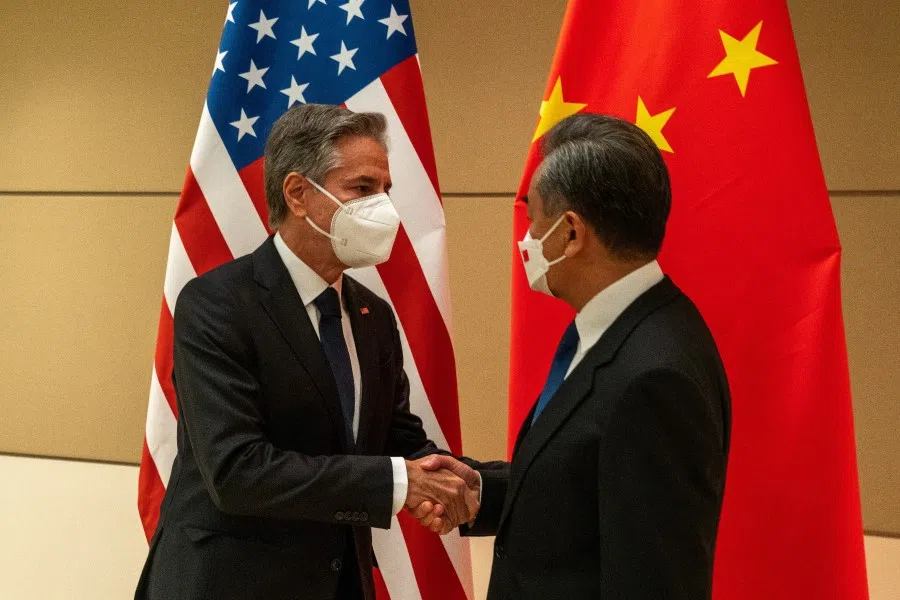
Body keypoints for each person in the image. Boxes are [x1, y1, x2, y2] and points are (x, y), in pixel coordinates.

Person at [135, 104, 478, 600]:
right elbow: (237, 470)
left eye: (386, 190)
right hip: (227, 583)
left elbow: (394, 438)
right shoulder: (218, 304)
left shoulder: (374, 317)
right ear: (298, 193)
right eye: (362, 188)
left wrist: (447, 478)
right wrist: (400, 483)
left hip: (335, 582)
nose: (384, 208)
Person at [417, 113, 732, 599]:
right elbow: (589, 492)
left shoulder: (656, 376)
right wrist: (485, 489)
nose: (525, 238)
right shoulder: (617, 329)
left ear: (570, 233)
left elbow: (655, 582)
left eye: (532, 218)